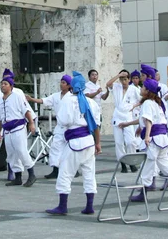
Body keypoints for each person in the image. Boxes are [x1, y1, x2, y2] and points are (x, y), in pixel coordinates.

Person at [46, 71, 101, 216]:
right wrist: (98, 143)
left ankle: (62, 206)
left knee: (65, 173)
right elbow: (96, 125)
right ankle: (89, 206)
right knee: (89, 174)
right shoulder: (92, 102)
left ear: (72, 87)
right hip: (89, 142)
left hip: (75, 143)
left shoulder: (68, 100)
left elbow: (63, 121)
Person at [129, 78, 168, 202]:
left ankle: (143, 193)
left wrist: (147, 136)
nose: (141, 89)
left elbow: (149, 121)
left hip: (153, 138)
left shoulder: (148, 103)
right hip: (163, 138)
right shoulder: (157, 103)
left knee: (148, 166)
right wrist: (140, 128)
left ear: (148, 91)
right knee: (165, 164)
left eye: (143, 87)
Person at [0, 68, 34, 181]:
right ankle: (17, 178)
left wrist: (31, 124)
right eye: (2, 84)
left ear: (11, 86)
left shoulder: (17, 96)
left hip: (18, 127)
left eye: (5, 84)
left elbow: (26, 111)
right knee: (11, 154)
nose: (3, 86)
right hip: (7, 130)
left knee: (21, 151)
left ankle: (31, 174)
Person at [26, 74, 72, 179]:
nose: (61, 84)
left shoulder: (72, 97)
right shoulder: (56, 96)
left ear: (69, 85)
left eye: (63, 83)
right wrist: (31, 99)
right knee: (55, 148)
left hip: (70, 127)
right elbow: (43, 101)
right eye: (61, 82)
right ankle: (56, 170)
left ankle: (73, 169)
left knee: (70, 149)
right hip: (60, 126)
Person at [106, 70, 138, 173]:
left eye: (125, 79)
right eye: (121, 79)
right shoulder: (116, 87)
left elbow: (142, 99)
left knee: (131, 142)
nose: (123, 81)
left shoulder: (134, 89)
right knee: (119, 143)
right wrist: (118, 75)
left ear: (129, 79)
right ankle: (123, 163)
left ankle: (132, 162)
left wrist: (134, 106)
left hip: (128, 117)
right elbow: (108, 84)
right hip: (118, 117)